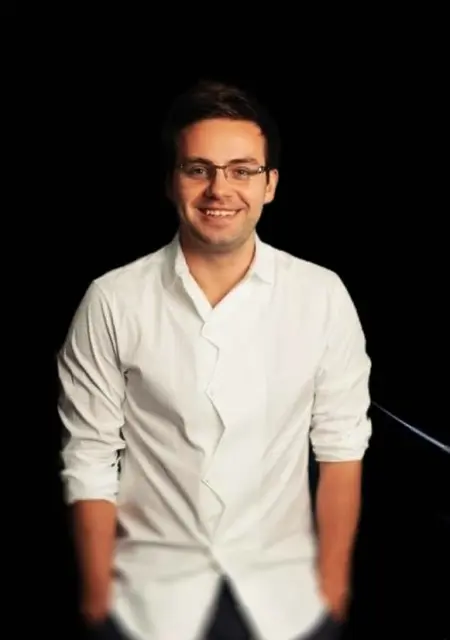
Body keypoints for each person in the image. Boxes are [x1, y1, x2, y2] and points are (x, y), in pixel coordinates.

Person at [58, 79, 372, 640]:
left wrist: (332, 586)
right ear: (171, 181)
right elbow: (89, 456)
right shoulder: (112, 299)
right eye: (198, 169)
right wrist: (97, 597)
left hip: (286, 599)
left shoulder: (321, 295)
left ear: (270, 184)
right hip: (149, 601)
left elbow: (341, 446)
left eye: (242, 170)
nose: (219, 189)